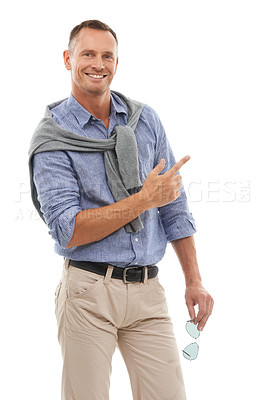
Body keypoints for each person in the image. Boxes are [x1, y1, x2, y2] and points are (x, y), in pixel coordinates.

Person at [29, 19, 214, 400]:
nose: (98, 63)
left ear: (117, 62)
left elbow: (173, 205)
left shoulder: (145, 120)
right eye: (88, 54)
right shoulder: (52, 137)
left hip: (148, 292)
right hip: (88, 292)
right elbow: (70, 229)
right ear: (68, 59)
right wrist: (143, 200)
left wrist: (194, 280)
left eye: (107, 55)